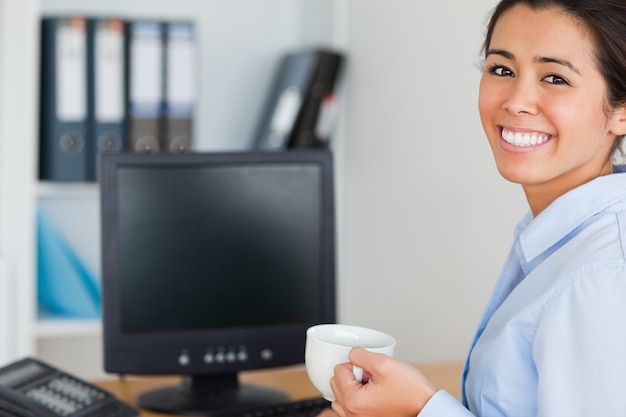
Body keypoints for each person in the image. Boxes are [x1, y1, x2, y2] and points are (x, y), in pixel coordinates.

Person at [320, 0, 626, 416]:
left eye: (555, 77)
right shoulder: (559, 237)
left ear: (621, 112)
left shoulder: (601, 278)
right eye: (502, 69)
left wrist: (420, 408)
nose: (517, 101)